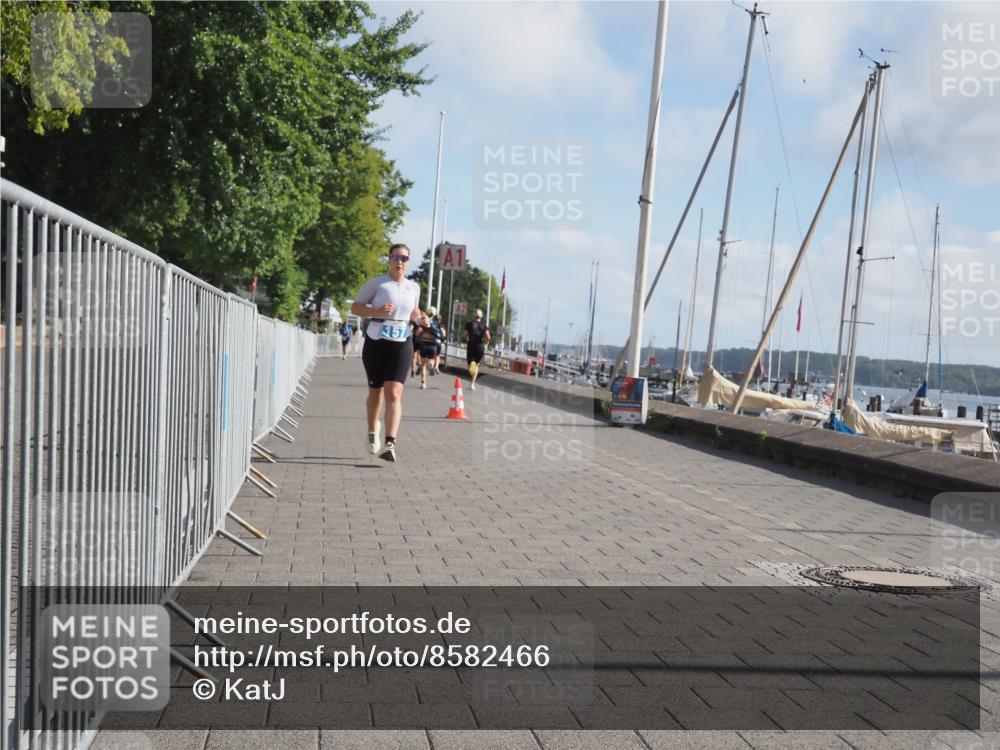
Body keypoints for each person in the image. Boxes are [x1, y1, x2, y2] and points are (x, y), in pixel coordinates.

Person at [349, 244, 422, 462]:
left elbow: (413, 312)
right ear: (389, 259)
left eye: (405, 258)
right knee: (376, 392)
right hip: (376, 341)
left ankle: (390, 443)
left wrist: (420, 319)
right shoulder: (378, 284)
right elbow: (356, 308)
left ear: (408, 261)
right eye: (396, 257)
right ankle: (373, 432)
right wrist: (376, 312)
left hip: (402, 342)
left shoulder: (413, 287)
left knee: (394, 393)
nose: (400, 261)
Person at [462, 309, 491, 391]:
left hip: (471, 344)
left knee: (470, 364)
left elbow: (464, 335)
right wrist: (486, 343)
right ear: (481, 317)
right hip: (480, 346)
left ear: (473, 315)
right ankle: (472, 384)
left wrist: (466, 339)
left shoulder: (469, 324)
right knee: (477, 365)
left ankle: (472, 367)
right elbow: (488, 337)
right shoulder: (484, 326)